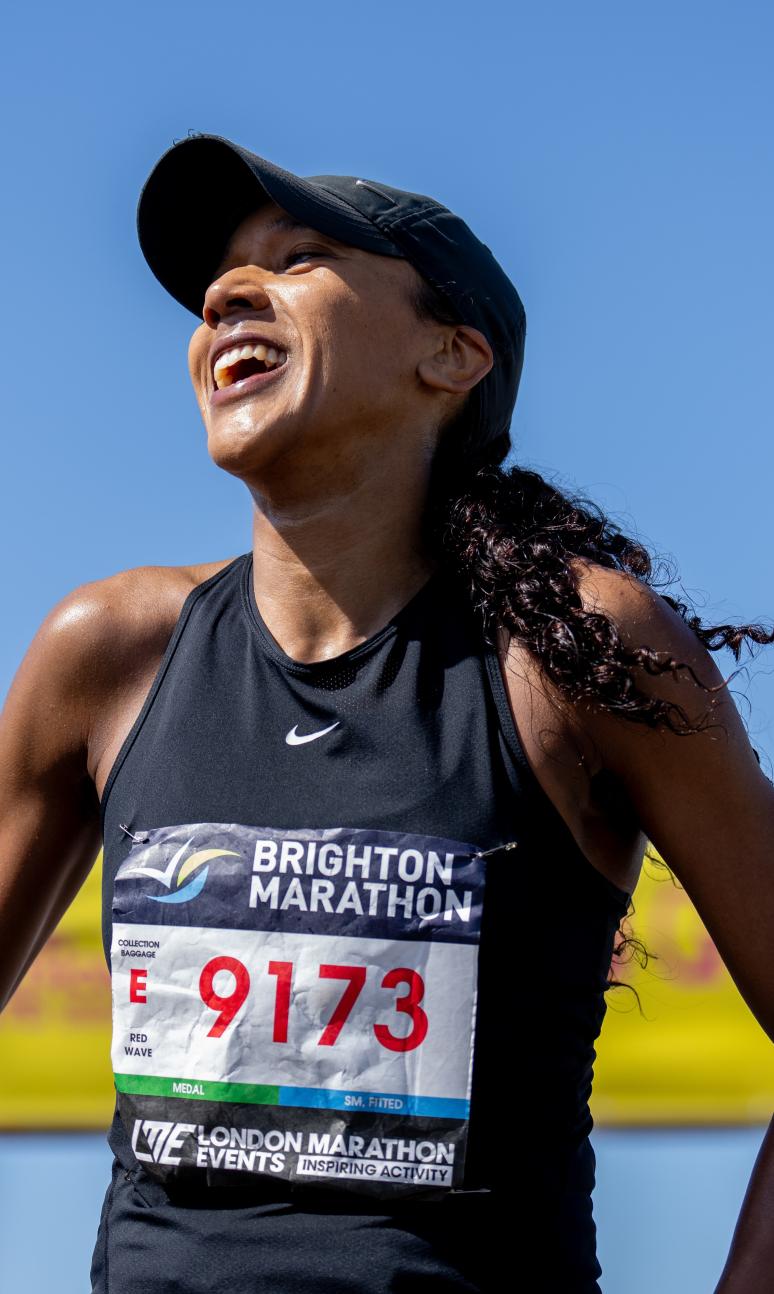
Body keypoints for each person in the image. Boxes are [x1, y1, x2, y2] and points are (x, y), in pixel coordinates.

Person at [1, 132, 773, 1293]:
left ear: (451, 354)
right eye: (221, 281)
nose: (225, 295)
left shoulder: (576, 653)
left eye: (299, 258)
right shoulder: (104, 655)